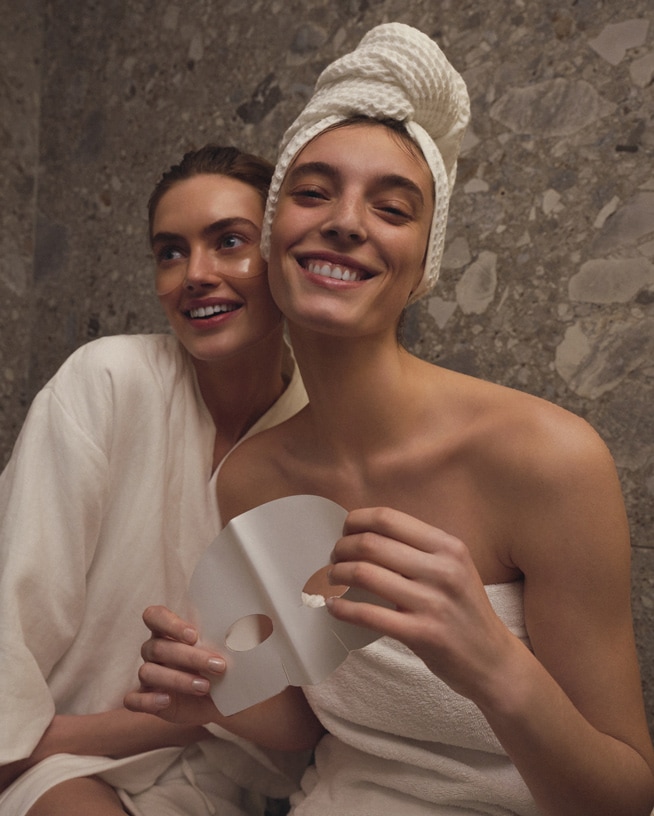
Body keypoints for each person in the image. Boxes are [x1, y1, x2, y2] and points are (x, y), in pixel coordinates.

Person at [126, 23, 654, 816]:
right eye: (312, 192)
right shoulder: (251, 480)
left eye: (394, 207)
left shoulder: (547, 461)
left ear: (421, 270)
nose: (346, 221)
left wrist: (490, 663)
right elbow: (313, 720)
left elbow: (624, 797)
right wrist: (216, 695)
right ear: (272, 244)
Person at [0, 144, 313, 816]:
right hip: (50, 759)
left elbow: (298, 699)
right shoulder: (108, 382)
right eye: (170, 252)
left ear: (283, 254)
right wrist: (41, 744)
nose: (195, 274)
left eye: (229, 242)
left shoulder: (322, 437)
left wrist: (205, 716)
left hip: (235, 780)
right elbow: (15, 612)